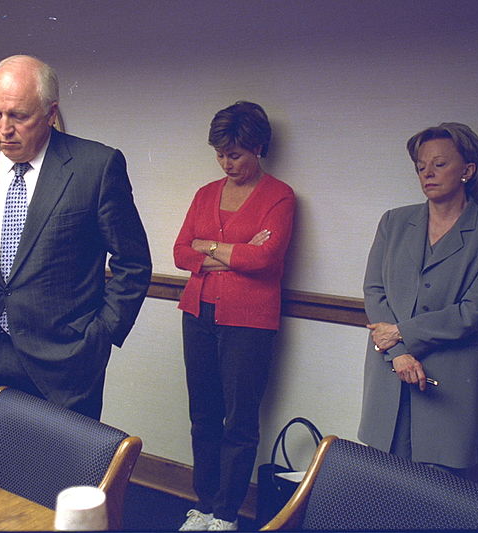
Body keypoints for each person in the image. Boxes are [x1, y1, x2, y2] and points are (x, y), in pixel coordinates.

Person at [0, 55, 152, 458]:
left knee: (45, 485)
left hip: (63, 359)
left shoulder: (96, 166)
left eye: (19, 116)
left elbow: (133, 264)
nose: (4, 129)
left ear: (51, 113)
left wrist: (99, 336)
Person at [359, 122, 478, 473]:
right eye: (420, 166)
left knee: (438, 496)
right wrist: (399, 354)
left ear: (468, 170)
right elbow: (374, 291)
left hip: (453, 380)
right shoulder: (393, 222)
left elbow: (473, 312)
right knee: (380, 484)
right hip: (391, 372)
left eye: (440, 164)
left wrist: (400, 334)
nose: (427, 173)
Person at [173, 102, 295, 531]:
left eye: (236, 154)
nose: (227, 163)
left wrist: (208, 247)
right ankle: (204, 506)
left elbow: (265, 258)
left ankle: (225, 516)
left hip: (249, 320)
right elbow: (180, 250)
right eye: (221, 154)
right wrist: (228, 254)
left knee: (239, 419)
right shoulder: (205, 193)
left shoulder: (279, 195)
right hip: (197, 311)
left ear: (258, 147)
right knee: (202, 414)